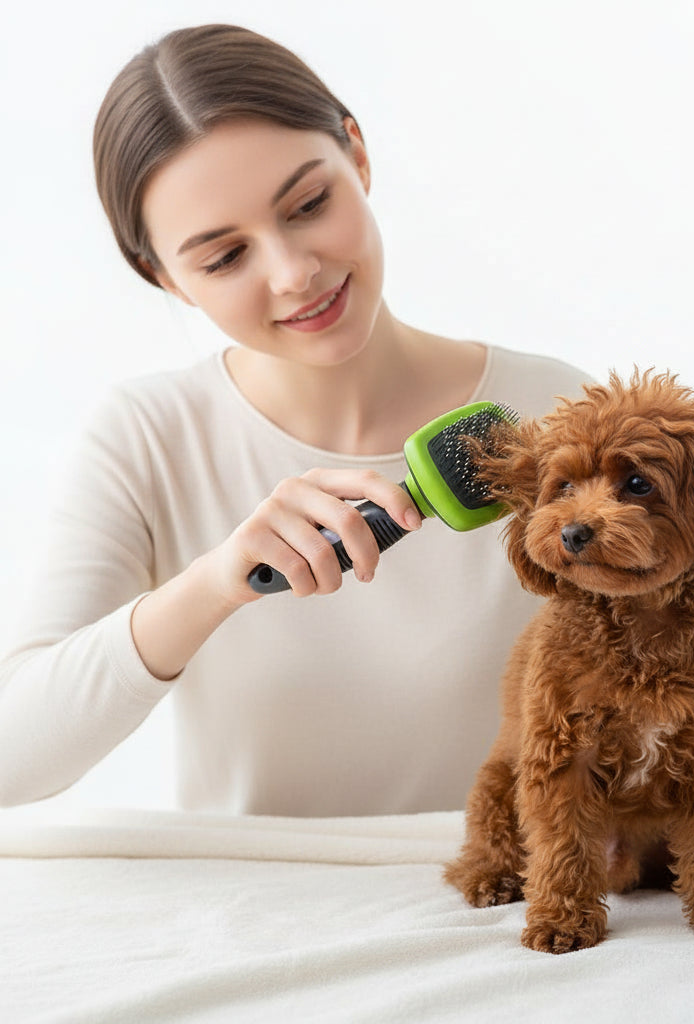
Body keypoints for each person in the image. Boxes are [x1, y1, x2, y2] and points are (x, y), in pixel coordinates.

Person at [0, 24, 589, 816]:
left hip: (509, 910)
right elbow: (13, 763)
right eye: (223, 258)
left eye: (310, 204)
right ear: (162, 276)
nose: (293, 273)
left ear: (358, 154)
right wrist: (214, 584)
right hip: (255, 914)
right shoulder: (147, 437)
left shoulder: (553, 411)